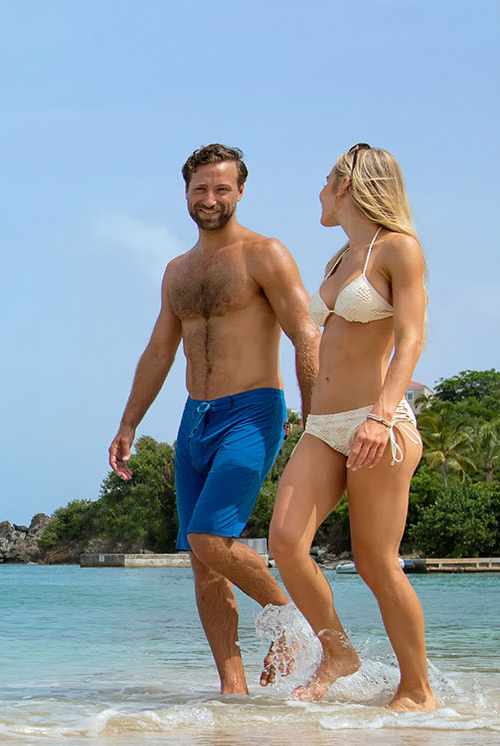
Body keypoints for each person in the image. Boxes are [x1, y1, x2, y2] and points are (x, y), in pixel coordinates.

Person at [110, 144, 320, 695]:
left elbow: (306, 334)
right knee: (202, 562)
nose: (210, 199)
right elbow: (159, 351)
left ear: (240, 192)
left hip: (253, 410)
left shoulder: (264, 254)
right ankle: (233, 689)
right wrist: (129, 423)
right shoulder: (177, 271)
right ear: (185, 193)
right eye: (200, 189)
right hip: (193, 420)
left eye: (221, 188)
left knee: (209, 536)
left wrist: (315, 418)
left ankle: (288, 623)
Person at [265, 143, 437, 711]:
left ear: (348, 185)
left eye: (324, 181)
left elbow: (411, 339)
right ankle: (337, 651)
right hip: (324, 425)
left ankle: (418, 690)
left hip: (377, 423)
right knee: (286, 543)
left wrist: (381, 417)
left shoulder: (399, 251)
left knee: (375, 562)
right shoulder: (339, 259)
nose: (317, 192)